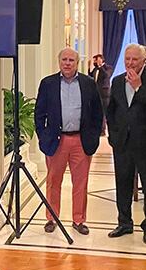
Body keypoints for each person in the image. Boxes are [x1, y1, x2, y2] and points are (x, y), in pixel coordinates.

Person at [34, 48, 104, 235]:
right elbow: (39, 114)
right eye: (64, 59)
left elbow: (98, 112)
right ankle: (51, 218)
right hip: (57, 141)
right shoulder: (48, 83)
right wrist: (42, 136)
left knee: (80, 183)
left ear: (77, 63)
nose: (67, 63)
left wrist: (94, 135)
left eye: (71, 60)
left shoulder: (88, 83)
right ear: (59, 62)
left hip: (80, 140)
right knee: (53, 181)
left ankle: (79, 220)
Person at [106, 43, 146, 243]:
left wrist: (139, 87)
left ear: (144, 60)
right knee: (122, 184)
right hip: (122, 142)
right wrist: (113, 135)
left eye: (134, 59)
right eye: (127, 59)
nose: (130, 63)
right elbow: (112, 111)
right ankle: (124, 223)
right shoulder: (116, 81)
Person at [88, 53, 112, 134]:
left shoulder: (108, 68)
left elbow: (106, 75)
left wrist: (101, 66)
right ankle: (97, 129)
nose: (95, 62)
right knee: (96, 111)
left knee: (103, 112)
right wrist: (88, 67)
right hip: (96, 92)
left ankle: (103, 130)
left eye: (96, 60)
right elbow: (92, 77)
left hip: (104, 93)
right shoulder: (95, 69)